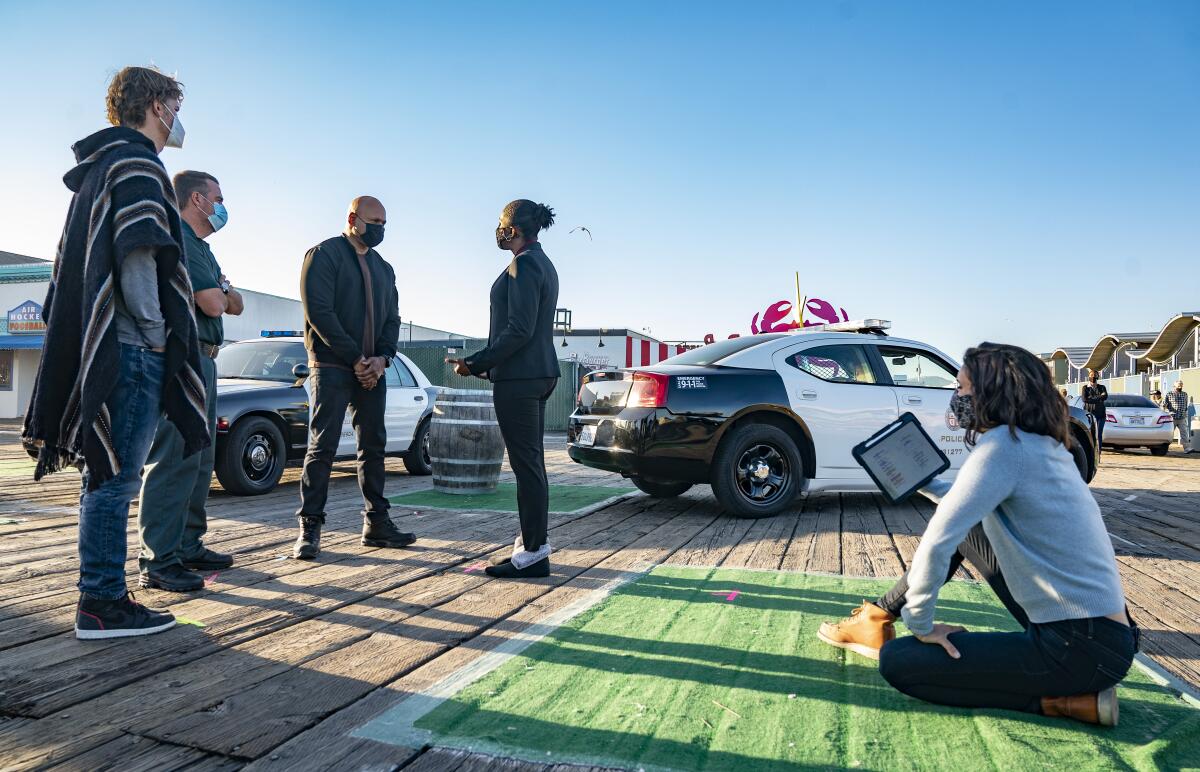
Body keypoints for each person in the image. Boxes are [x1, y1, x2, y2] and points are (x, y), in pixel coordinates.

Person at [824, 343, 1135, 726]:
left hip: (1080, 648)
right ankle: (876, 618)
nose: (955, 398)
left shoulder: (1003, 448)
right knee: (970, 525)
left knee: (899, 662)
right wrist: (926, 482)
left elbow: (938, 540)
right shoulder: (1036, 443)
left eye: (961, 388)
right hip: (1102, 635)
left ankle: (1060, 703)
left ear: (990, 393)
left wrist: (921, 626)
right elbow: (964, 506)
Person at [22, 66, 210, 639]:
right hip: (131, 346)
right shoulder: (137, 163)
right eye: (174, 104)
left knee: (103, 477)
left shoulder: (102, 165)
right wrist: (156, 334)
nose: (178, 117)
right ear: (156, 105)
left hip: (113, 343)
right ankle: (102, 602)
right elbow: (136, 258)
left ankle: (101, 597)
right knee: (115, 479)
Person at [137, 171, 244, 591]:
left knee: (200, 457)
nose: (222, 206)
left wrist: (224, 292)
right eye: (218, 197)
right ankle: (158, 559)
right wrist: (222, 292)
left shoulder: (204, 249)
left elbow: (234, 302)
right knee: (174, 456)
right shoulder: (179, 237)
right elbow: (215, 303)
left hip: (208, 359)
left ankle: (187, 543)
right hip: (185, 356)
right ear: (197, 199)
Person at [294, 196, 414, 559]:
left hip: (372, 371)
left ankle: (377, 523)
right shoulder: (323, 255)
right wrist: (357, 358)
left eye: (384, 223)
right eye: (374, 221)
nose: (379, 229)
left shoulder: (384, 268)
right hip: (331, 367)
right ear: (352, 218)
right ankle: (309, 527)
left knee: (373, 445)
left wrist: (382, 359)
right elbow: (320, 312)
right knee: (322, 446)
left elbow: (393, 319)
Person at [447, 200, 560, 579]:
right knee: (532, 464)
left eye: (500, 223)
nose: (497, 229)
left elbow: (519, 330)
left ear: (512, 230)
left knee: (527, 466)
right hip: (536, 375)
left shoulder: (524, 264)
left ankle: (533, 552)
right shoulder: (543, 263)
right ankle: (533, 544)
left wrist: (475, 362)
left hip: (521, 380)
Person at [1081, 369, 1109, 455]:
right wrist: (1099, 397)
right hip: (1089, 414)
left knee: (1099, 434)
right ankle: (1089, 452)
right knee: (1090, 434)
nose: (1093, 377)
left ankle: (1098, 452)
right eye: (1092, 375)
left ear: (1098, 377)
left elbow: (1105, 397)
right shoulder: (1085, 388)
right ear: (1089, 376)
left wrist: (1092, 398)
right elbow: (1084, 399)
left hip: (1101, 415)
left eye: (1095, 375)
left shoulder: (1102, 387)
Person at [1162, 381, 1193, 453]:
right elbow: (1164, 405)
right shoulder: (1169, 394)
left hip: (1182, 417)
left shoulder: (1185, 394)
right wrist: (1166, 412)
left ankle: (1187, 448)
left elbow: (1185, 405)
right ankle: (1165, 448)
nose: (1180, 388)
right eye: (1178, 387)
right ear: (1174, 386)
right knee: (1169, 433)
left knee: (1184, 433)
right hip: (1172, 417)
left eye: (1181, 386)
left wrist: (1185, 413)